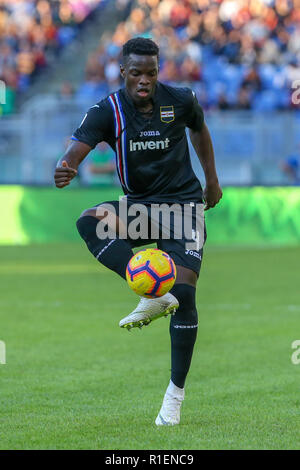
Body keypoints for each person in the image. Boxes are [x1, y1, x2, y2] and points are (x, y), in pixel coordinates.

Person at [54, 37, 222, 426]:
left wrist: (211, 181)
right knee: (89, 220)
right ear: (123, 72)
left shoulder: (179, 99)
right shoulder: (107, 110)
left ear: (157, 71)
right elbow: (77, 148)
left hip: (183, 209)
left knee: (185, 293)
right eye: (137, 73)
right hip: (141, 209)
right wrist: (67, 165)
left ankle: (174, 397)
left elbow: (200, 129)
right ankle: (148, 288)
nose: (145, 80)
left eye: (151, 73)